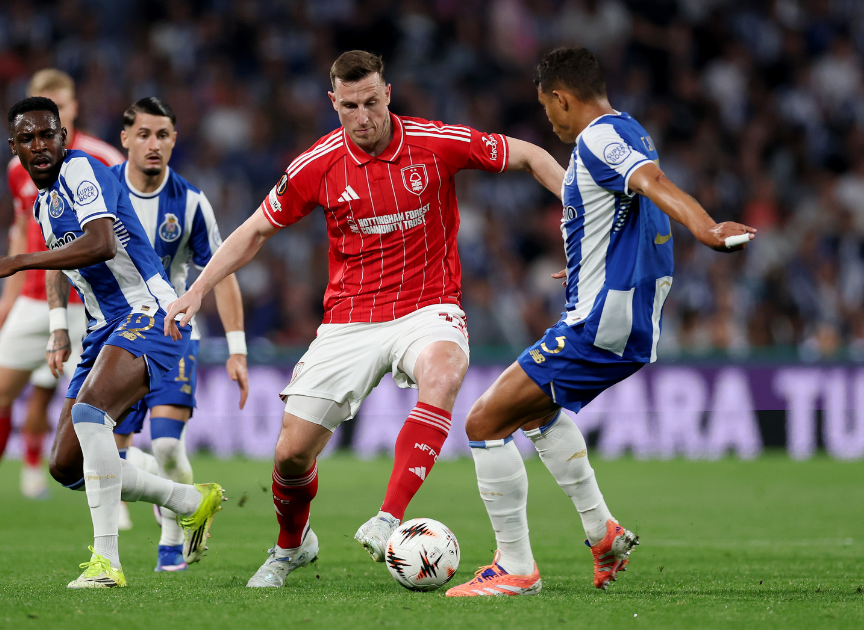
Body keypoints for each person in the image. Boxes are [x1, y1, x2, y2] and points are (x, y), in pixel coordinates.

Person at [163, 50, 565, 588]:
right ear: (334, 103)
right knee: (290, 455)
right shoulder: (318, 163)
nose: (363, 116)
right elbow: (256, 230)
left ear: (388, 94)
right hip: (350, 318)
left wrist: (580, 217)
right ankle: (292, 545)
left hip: (429, 306)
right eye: (350, 105)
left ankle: (389, 515)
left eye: (372, 102)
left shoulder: (434, 142)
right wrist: (198, 288)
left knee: (443, 372)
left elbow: (531, 154)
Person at [445, 47, 755, 597]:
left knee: (483, 423)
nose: (550, 120)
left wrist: (706, 229)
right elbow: (630, 215)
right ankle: (602, 533)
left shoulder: (597, 138)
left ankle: (515, 568)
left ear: (562, 98)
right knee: (537, 415)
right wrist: (590, 258)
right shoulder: (629, 128)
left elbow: (654, 184)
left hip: (600, 321)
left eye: (548, 109)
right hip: (622, 316)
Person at [0, 96, 223, 588]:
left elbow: (102, 242)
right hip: (103, 328)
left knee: (89, 417)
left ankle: (107, 563)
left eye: (47, 135)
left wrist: (18, 261)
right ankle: (190, 501)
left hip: (151, 311)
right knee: (66, 466)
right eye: (27, 138)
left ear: (64, 138)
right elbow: (65, 261)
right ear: (14, 147)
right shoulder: (44, 202)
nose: (39, 146)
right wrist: (58, 326)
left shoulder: (81, 169)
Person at [0, 69, 125, 531]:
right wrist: (8, 296)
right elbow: (22, 228)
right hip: (37, 295)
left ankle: (124, 498)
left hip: (93, 303)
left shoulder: (103, 158)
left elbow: (118, 231)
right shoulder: (19, 169)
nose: (40, 129)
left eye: (57, 106)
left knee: (99, 409)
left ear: (69, 113)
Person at [110, 96, 249, 572]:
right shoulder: (100, 191)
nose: (154, 144)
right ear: (125, 137)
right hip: (114, 337)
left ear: (174, 140)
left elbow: (223, 272)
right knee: (109, 462)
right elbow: (62, 248)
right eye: (144, 134)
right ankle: (177, 497)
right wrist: (56, 327)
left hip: (173, 334)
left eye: (163, 135)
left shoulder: (190, 203)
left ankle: (171, 531)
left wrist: (237, 349)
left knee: (168, 444)